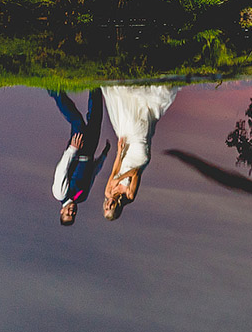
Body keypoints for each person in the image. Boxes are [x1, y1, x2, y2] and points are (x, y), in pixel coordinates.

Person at [100, 83, 180, 220]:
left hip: (125, 156)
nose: (109, 205)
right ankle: (153, 88)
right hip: (139, 157)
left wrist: (119, 151)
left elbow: (114, 170)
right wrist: (119, 179)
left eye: (107, 207)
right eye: (111, 208)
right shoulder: (129, 196)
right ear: (116, 208)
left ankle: (131, 86)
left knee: (125, 117)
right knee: (135, 124)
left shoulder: (108, 192)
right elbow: (135, 173)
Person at [50, 88, 111, 226]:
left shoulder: (60, 193)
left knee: (77, 120)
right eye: (73, 215)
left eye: (67, 214)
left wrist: (72, 149)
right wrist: (103, 156)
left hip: (77, 149)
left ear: (61, 211)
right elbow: (92, 174)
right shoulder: (82, 197)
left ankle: (55, 91)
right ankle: (95, 86)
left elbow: (62, 169)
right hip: (90, 152)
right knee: (96, 118)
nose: (71, 212)